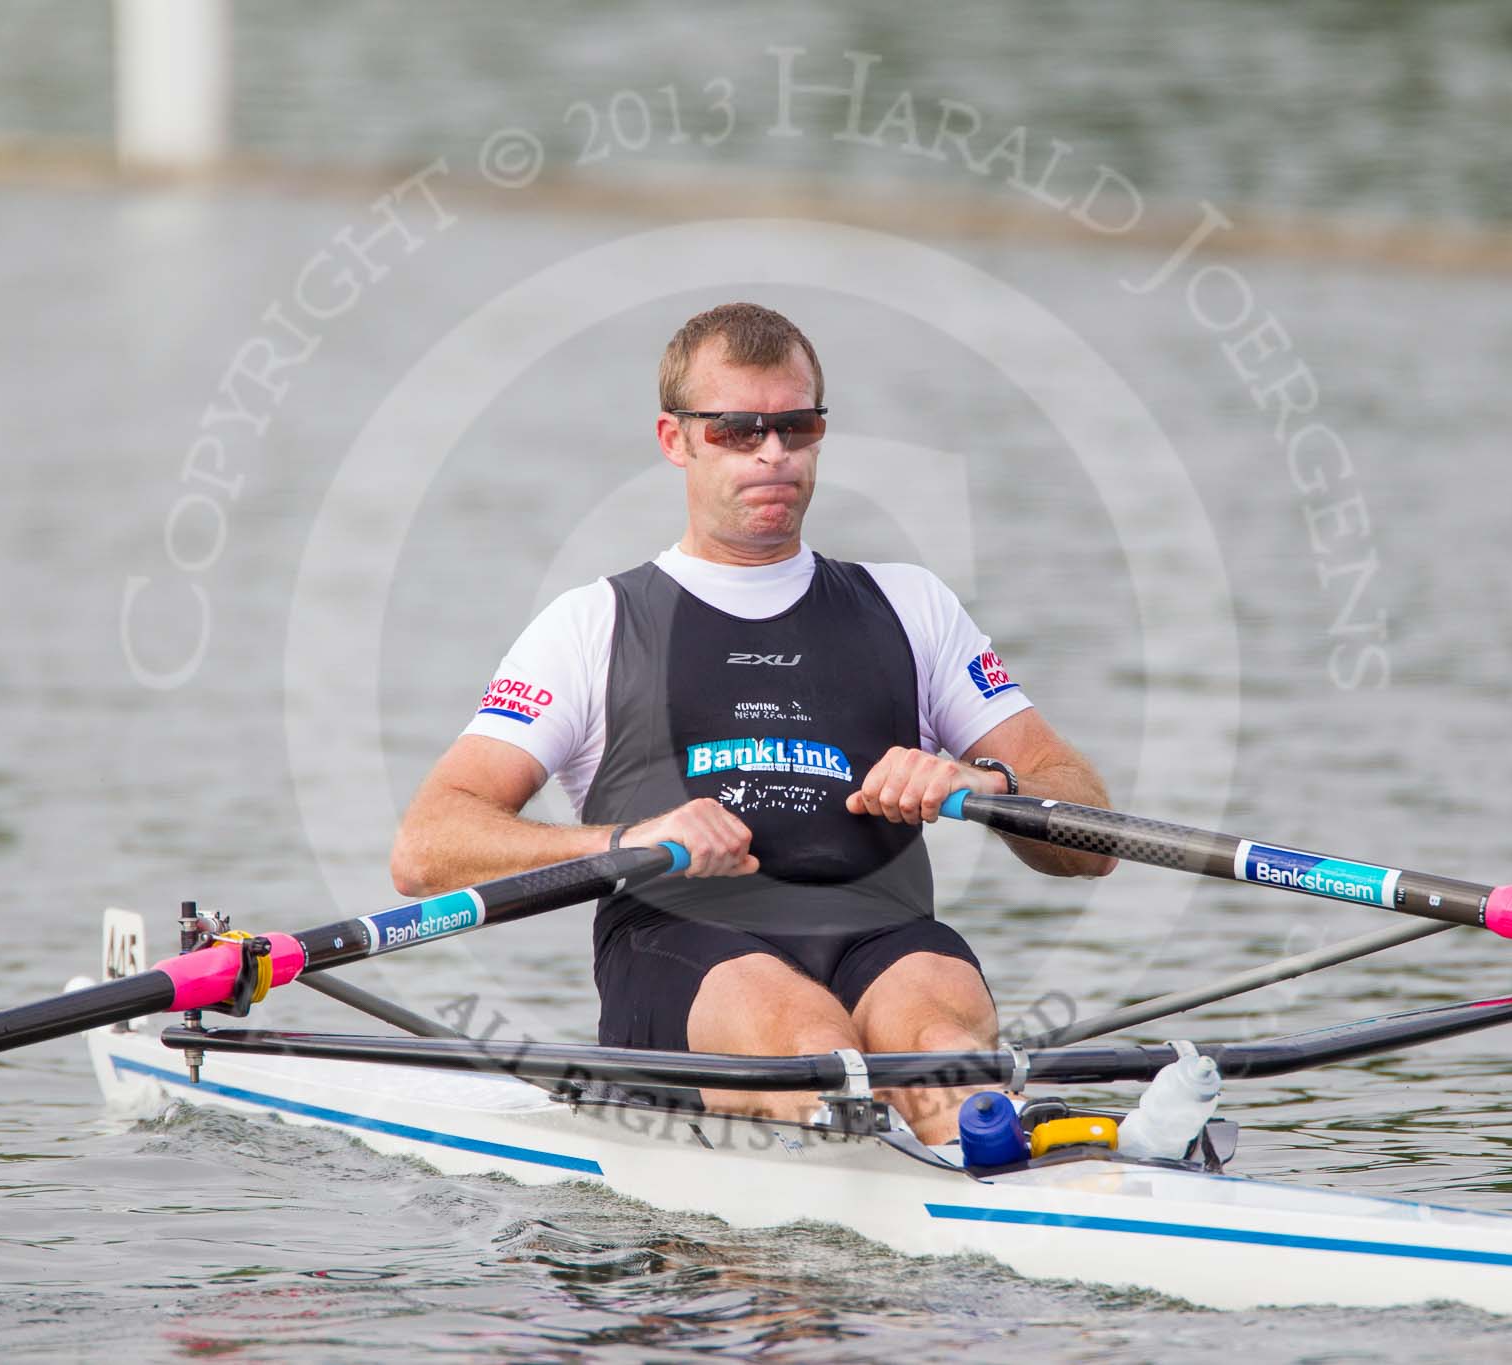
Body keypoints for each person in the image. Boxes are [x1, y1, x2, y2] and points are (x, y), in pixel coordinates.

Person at [391, 302, 1116, 1142]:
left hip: (884, 934)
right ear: (676, 440)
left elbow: (1087, 832)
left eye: (796, 425)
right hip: (684, 946)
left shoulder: (913, 607)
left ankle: (986, 1151)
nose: (774, 454)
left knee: (942, 1049)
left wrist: (985, 783)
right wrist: (628, 840)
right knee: (810, 1044)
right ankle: (871, 1175)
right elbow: (427, 848)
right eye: (738, 429)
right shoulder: (592, 625)